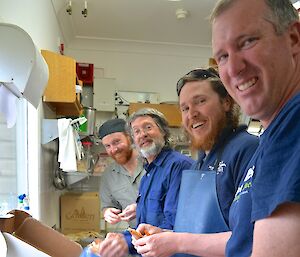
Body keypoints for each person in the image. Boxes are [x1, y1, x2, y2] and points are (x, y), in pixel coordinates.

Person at [133, 68, 259, 257]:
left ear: (226, 102)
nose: (192, 114)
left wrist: (177, 242)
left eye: (200, 101)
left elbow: (250, 240)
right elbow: (199, 233)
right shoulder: (198, 164)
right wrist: (166, 237)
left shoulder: (247, 149)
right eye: (185, 108)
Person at [210, 0, 300, 256]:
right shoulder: (272, 135)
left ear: (294, 39)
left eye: (248, 42)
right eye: (223, 56)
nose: (234, 69)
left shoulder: (292, 128)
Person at [94, 109, 194, 257]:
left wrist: (126, 242)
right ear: (134, 139)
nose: (143, 134)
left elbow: (173, 227)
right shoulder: (149, 172)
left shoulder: (178, 166)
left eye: (148, 127)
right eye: (137, 131)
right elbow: (144, 226)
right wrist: (122, 238)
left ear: (163, 132)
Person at [98, 118, 145, 228]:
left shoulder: (151, 163)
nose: (113, 150)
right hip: (136, 235)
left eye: (116, 142)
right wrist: (107, 212)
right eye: (108, 146)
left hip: (165, 234)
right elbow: (107, 205)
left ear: (130, 137)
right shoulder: (109, 175)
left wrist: (141, 208)